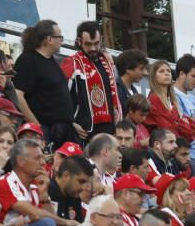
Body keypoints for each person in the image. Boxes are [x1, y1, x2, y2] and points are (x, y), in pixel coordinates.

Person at [13, 19, 74, 148]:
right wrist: (37, 127)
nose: (61, 41)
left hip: (62, 130)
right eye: (59, 37)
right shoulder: (28, 60)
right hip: (45, 129)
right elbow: (18, 95)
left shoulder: (51, 60)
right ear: (49, 39)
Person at [61, 21, 121, 139]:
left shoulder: (107, 62)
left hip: (109, 129)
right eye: (88, 44)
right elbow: (59, 97)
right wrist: (70, 122)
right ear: (79, 42)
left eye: (96, 43)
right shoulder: (72, 63)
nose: (93, 48)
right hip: (85, 131)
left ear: (101, 40)